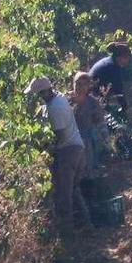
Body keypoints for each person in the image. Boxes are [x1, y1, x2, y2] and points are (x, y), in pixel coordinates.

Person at [24, 76, 91, 230]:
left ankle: (68, 231)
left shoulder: (55, 108)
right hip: (77, 147)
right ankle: (86, 224)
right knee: (73, 190)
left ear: (44, 93)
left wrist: (45, 151)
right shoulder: (58, 98)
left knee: (64, 194)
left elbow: (59, 136)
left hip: (68, 151)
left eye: (38, 95)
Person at [69, 72, 105, 177]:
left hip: (86, 140)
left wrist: (105, 139)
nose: (81, 87)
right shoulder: (66, 100)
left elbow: (100, 122)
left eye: (84, 84)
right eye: (78, 84)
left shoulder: (92, 103)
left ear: (89, 86)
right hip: (68, 139)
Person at [89, 42, 132, 115]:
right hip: (91, 95)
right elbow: (119, 90)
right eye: (127, 57)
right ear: (120, 57)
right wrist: (125, 108)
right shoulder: (113, 67)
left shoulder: (109, 61)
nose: (128, 60)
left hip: (93, 90)